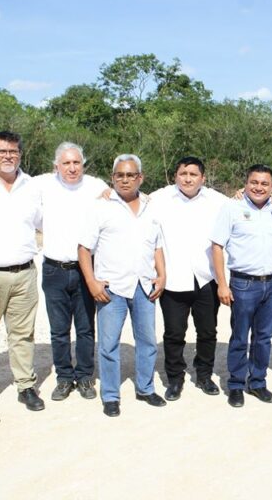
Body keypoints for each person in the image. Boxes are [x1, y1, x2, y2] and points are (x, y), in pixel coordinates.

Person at [78, 154, 166, 417]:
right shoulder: (100, 207)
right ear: (113, 177)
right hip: (112, 288)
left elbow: (157, 246)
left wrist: (162, 275)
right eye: (119, 175)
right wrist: (92, 282)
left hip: (144, 285)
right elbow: (84, 249)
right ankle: (111, 395)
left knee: (148, 340)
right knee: (108, 344)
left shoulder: (152, 206)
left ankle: (145, 388)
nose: (125, 180)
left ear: (140, 177)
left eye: (130, 175)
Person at [0, 131, 45, 412]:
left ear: (20, 155)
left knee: (23, 334)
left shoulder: (32, 186)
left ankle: (26, 386)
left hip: (25, 272)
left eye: (13, 151)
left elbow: (44, 222)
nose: (8, 156)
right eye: (1, 151)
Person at [148, 156, 227, 400]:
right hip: (173, 279)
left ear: (203, 178)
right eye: (183, 173)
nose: (188, 178)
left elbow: (244, 204)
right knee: (174, 333)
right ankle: (175, 378)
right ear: (175, 176)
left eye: (194, 174)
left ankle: (204, 375)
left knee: (207, 331)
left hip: (206, 278)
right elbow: (132, 200)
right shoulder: (159, 199)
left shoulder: (217, 201)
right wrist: (107, 194)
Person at [211, 164, 272, 408]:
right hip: (243, 284)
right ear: (245, 184)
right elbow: (216, 246)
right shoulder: (232, 208)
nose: (259, 187)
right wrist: (222, 284)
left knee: (264, 337)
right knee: (239, 337)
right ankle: (235, 384)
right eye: (254, 182)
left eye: (265, 183)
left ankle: (257, 382)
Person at [36, 142, 108, 401]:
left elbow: (126, 194)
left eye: (76, 162)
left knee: (86, 328)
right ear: (56, 165)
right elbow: (5, 181)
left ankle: (86, 376)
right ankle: (64, 378)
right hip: (54, 269)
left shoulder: (97, 186)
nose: (72, 167)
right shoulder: (42, 184)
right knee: (58, 330)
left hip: (85, 269)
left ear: (83, 164)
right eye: (66, 163)